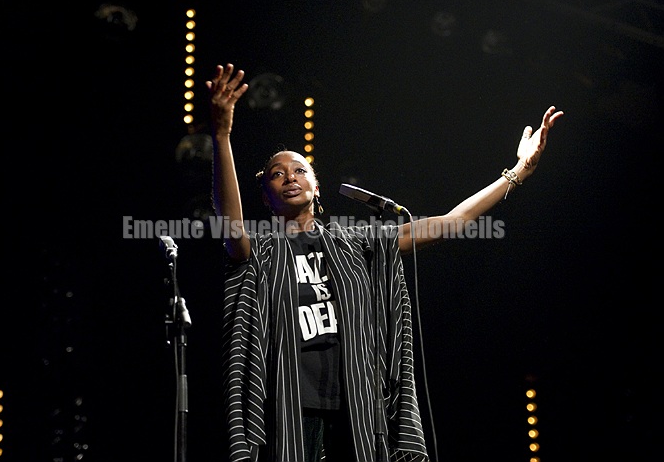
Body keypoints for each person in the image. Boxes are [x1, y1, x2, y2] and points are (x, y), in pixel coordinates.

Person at [206, 63, 563, 462]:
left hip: (357, 405)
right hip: (290, 405)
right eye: (277, 174)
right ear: (265, 196)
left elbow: (451, 222)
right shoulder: (261, 251)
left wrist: (518, 172)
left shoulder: (356, 243)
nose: (289, 177)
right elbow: (230, 223)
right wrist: (221, 134)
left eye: (299, 170)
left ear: (316, 187)